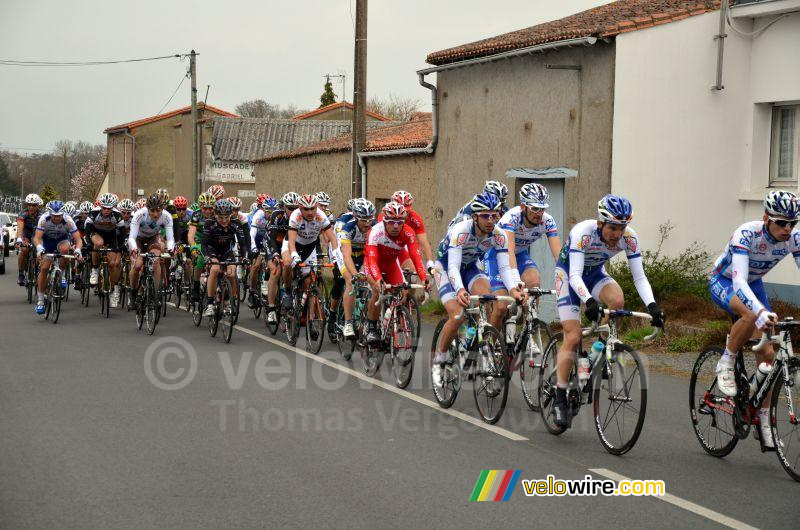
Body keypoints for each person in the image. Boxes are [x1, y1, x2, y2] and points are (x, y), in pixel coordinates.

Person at [552, 194, 665, 428]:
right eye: (613, 228)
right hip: (568, 275)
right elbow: (574, 275)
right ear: (601, 223)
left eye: (622, 228)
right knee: (572, 336)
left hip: (594, 274)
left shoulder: (630, 239)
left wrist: (652, 306)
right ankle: (559, 395)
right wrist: (588, 302)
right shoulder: (583, 233)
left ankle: (596, 351)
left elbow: (639, 277)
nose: (617, 234)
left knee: (617, 301)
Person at [710, 190, 800, 449]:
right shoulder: (747, 234)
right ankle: (725, 362)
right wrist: (760, 312)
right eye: (781, 222)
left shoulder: (793, 238)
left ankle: (762, 419)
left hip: (754, 284)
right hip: (726, 280)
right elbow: (738, 280)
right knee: (750, 314)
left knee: (769, 357)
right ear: (766, 218)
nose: (787, 228)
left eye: (792, 223)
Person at [431, 192, 525, 386]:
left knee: (489, 298)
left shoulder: (499, 235)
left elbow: (505, 267)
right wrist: (459, 290)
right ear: (475, 217)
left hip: (471, 266)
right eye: (485, 216)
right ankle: (439, 360)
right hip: (446, 267)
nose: (491, 220)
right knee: (457, 315)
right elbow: (454, 267)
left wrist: (514, 289)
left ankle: (481, 343)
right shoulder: (461, 231)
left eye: (495, 215)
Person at [487, 183, 561, 340]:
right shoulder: (511, 218)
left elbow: (558, 255)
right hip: (497, 255)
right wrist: (515, 280)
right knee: (501, 306)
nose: (539, 213)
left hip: (520, 255)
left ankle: (529, 327)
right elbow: (509, 251)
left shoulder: (547, 221)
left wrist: (565, 277)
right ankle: (489, 346)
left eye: (542, 209)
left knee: (534, 280)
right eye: (534, 208)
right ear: (523, 207)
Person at [363, 202, 429, 344]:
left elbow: (416, 257)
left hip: (391, 265)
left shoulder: (408, 232)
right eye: (392, 222)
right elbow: (372, 260)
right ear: (385, 221)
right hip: (373, 264)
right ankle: (372, 327)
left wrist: (424, 278)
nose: (395, 226)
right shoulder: (375, 231)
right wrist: (379, 280)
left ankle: (392, 321)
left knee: (402, 292)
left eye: (399, 222)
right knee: (377, 291)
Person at [283, 194, 338, 310]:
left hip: (310, 246)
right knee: (287, 264)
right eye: (306, 209)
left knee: (309, 280)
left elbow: (332, 239)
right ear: (300, 208)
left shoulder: (321, 216)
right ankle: (287, 292)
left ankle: (310, 317)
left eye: (312, 208)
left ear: (316, 207)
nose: (309, 212)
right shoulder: (295, 216)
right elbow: (291, 241)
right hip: (292, 244)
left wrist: (335, 257)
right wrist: (294, 255)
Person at [32, 201, 83, 314]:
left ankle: (62, 273)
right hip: (47, 242)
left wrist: (78, 250)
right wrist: (39, 248)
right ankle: (40, 301)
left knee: (65, 250)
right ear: (50, 213)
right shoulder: (44, 219)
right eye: (54, 216)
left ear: (63, 213)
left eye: (59, 216)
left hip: (62, 240)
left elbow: (78, 240)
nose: (56, 218)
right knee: (44, 268)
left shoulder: (68, 220)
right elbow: (37, 238)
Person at [335, 198, 375, 339]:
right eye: (363, 220)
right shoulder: (348, 228)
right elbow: (346, 255)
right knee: (351, 282)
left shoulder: (375, 227)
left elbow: (374, 254)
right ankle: (348, 323)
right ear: (356, 217)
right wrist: (355, 274)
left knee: (373, 282)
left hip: (363, 255)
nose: (367, 223)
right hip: (345, 254)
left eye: (370, 219)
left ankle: (369, 319)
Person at [201, 199, 248, 316]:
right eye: (220, 217)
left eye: (226, 217)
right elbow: (204, 244)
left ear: (231, 214)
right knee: (215, 269)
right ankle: (210, 304)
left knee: (231, 274)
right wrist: (207, 257)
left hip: (227, 251)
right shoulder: (209, 223)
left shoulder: (236, 223)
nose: (224, 220)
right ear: (215, 215)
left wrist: (245, 257)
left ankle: (227, 299)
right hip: (212, 250)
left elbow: (242, 243)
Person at [128, 194, 174, 308]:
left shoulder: (167, 217)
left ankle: (156, 293)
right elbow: (131, 237)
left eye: (158, 210)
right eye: (152, 211)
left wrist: (171, 249)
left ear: (162, 209)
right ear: (147, 209)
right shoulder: (139, 214)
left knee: (156, 260)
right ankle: (133, 292)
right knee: (138, 265)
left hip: (153, 238)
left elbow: (170, 238)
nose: (155, 214)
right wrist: (133, 248)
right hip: (138, 239)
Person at [378, 190, 436, 274]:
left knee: (412, 274)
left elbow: (424, 243)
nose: (404, 214)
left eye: (407, 211)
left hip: (405, 245)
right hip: (387, 246)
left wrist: (430, 263)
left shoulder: (415, 218)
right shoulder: (384, 216)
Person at [263, 192, 298, 324]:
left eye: (296, 208)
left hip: (290, 245)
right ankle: (271, 309)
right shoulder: (276, 215)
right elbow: (271, 237)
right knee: (276, 271)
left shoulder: (300, 217)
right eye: (290, 208)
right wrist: (274, 254)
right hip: (274, 244)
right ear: (284, 208)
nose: (293, 211)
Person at [85, 193, 125, 307]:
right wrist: (88, 243)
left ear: (113, 207)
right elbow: (88, 230)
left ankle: (113, 291)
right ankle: (95, 269)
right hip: (96, 233)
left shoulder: (117, 215)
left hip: (111, 236)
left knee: (113, 264)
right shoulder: (93, 213)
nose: (107, 211)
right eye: (104, 208)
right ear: (101, 206)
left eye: (109, 208)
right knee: (98, 243)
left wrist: (121, 246)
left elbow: (121, 234)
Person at [187, 192, 216, 301]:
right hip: (199, 238)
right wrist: (193, 247)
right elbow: (191, 234)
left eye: (210, 208)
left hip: (212, 239)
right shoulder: (196, 214)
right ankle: (196, 284)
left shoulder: (216, 214)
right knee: (200, 258)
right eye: (205, 208)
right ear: (200, 207)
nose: (208, 211)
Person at [15, 193, 43, 286]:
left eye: (34, 205)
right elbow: (20, 227)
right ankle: (21, 274)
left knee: (40, 251)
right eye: (29, 205)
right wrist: (19, 239)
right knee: (24, 249)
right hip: (25, 234)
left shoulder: (41, 215)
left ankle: (38, 271)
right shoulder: (23, 213)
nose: (31, 207)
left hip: (37, 234)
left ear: (37, 205)